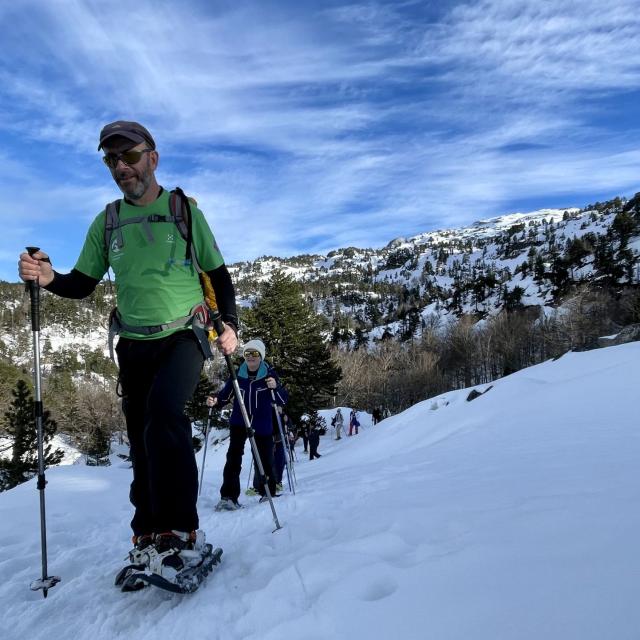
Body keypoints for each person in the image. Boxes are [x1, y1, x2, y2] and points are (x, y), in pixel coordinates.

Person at [18, 120, 239, 577]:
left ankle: (181, 529)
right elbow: (82, 284)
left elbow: (218, 274)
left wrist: (230, 323)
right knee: (139, 435)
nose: (122, 167)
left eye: (130, 156)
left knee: (164, 417)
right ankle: (147, 531)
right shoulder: (107, 221)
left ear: (152, 158)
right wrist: (49, 278)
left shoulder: (184, 211)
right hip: (134, 341)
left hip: (184, 334)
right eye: (111, 159)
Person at [208, 339, 288, 510]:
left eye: (255, 354)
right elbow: (224, 396)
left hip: (262, 423)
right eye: (247, 353)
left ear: (261, 356)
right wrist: (214, 400)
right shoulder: (238, 375)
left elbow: (282, 399)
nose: (251, 357)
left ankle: (268, 493)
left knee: (265, 460)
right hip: (239, 421)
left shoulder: (269, 375)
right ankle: (228, 496)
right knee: (233, 458)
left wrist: (275, 387)